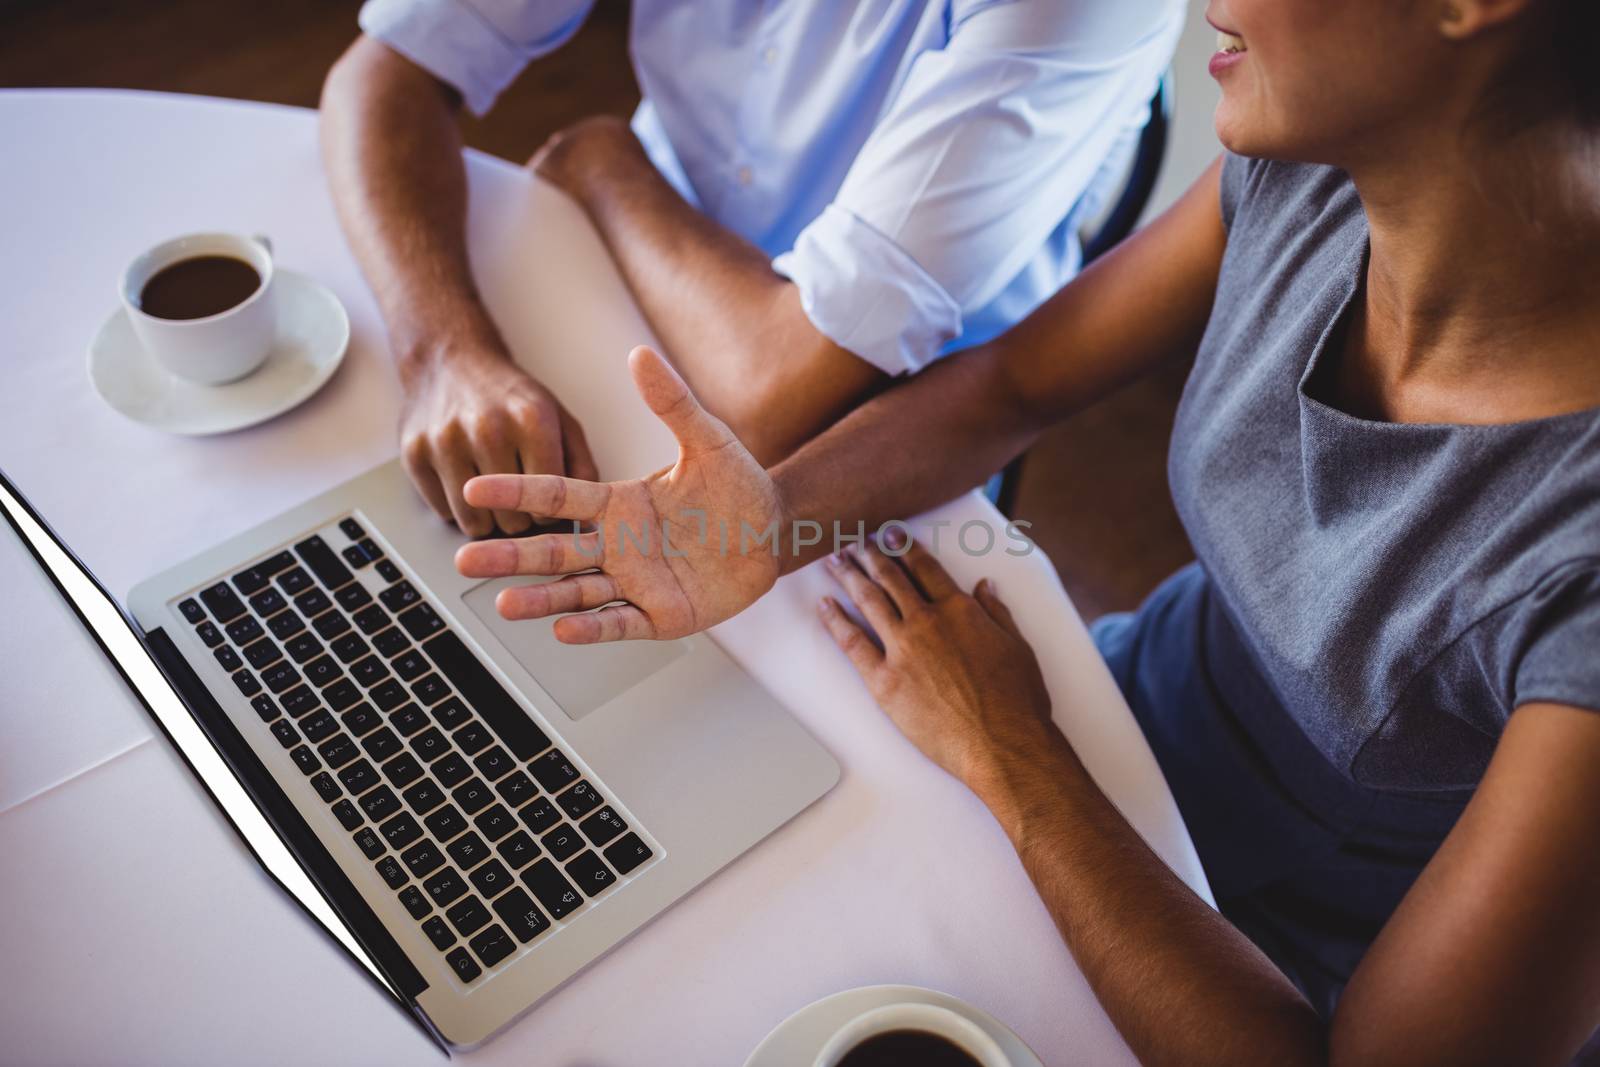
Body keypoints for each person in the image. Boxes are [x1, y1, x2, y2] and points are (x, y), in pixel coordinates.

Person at [449, 0, 1600, 1060]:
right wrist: (768, 520)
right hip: (1102, 717)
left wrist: (1013, 753)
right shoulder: (1309, 173)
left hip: (1246, 955)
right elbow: (1011, 387)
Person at [318, 0, 1180, 536]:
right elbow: (386, 71)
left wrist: (602, 165)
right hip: (634, 265)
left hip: (891, 420)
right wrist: (444, 353)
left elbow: (777, 395)